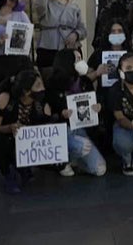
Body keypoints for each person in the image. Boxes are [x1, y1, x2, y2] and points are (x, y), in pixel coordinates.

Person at [0, 69, 51, 194]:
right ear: (26, 91)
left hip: (30, 144)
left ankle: (24, 168)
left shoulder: (41, 103)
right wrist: (9, 128)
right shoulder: (5, 98)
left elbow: (47, 129)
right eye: (38, 86)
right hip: (8, 139)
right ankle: (8, 174)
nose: (42, 88)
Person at [45, 49, 107, 177]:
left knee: (100, 169)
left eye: (81, 58)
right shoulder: (52, 85)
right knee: (82, 146)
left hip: (82, 127)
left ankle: (76, 159)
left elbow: (93, 104)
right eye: (78, 59)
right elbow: (48, 115)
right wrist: (61, 113)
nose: (82, 62)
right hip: (64, 130)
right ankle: (62, 160)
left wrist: (98, 107)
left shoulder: (85, 82)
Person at [86, 18, 130, 153]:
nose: (117, 34)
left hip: (125, 99)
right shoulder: (98, 54)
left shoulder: (131, 53)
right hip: (103, 100)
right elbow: (84, 80)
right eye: (113, 31)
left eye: (120, 31)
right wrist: (97, 73)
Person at [34, 0, 87, 70]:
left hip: (70, 49)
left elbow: (82, 28)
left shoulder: (73, 5)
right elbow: (39, 4)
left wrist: (76, 35)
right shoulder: (47, 3)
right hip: (49, 49)